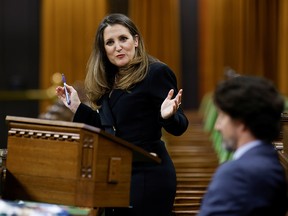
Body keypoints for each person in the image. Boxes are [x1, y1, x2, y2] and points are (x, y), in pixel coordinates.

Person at [56, 13, 189, 216]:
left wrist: (168, 116)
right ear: (103, 50)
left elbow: (180, 126)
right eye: (110, 42)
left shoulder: (155, 72)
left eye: (123, 39)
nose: (117, 46)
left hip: (148, 175)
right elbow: (108, 129)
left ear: (135, 41)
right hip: (118, 174)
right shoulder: (110, 79)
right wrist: (76, 107)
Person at [198, 75, 288, 216]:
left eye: (222, 117)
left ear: (241, 123)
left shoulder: (237, 173)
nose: (217, 126)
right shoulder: (271, 161)